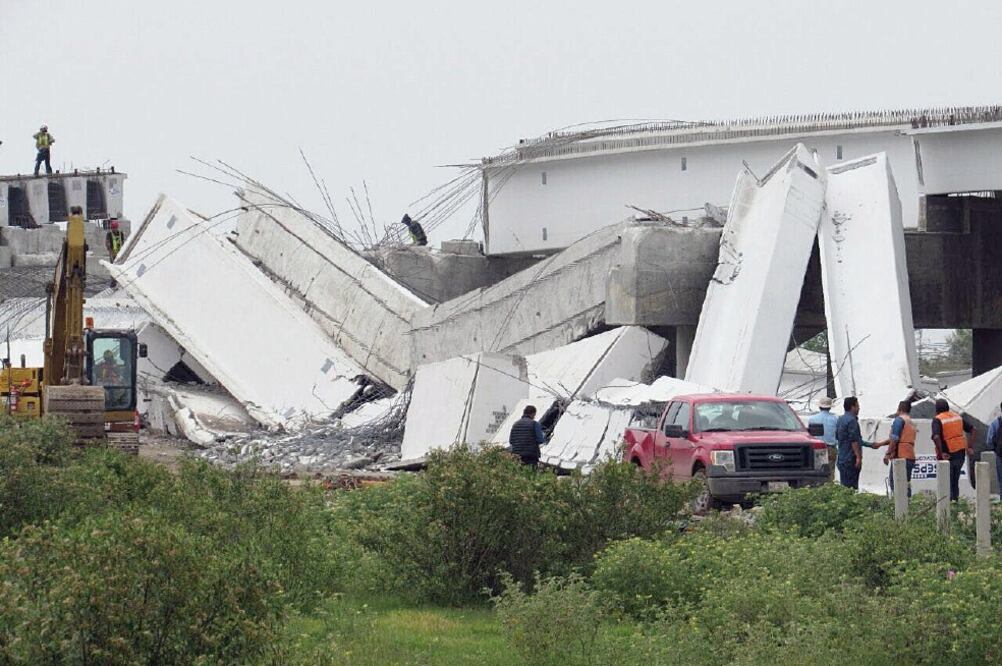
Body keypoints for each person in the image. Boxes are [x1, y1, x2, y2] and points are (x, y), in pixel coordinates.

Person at [932, 398, 974, 502]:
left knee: (947, 482)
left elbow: (936, 437)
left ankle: (948, 505)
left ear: (937, 409)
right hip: (960, 454)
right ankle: (955, 502)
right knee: (955, 481)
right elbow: (973, 429)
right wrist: (969, 447)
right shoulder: (957, 417)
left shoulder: (937, 419)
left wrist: (941, 453)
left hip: (947, 455)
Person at [873, 400, 917, 497]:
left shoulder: (899, 420)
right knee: (906, 483)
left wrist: (888, 454)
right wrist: (880, 444)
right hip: (910, 455)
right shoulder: (910, 422)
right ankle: (908, 506)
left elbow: (894, 439)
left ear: (899, 409)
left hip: (901, 457)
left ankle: (900, 507)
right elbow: (899, 438)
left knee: (895, 483)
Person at [835, 396, 866, 490]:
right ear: (852, 407)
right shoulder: (852, 421)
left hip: (842, 458)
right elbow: (854, 441)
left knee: (844, 486)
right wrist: (858, 457)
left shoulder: (840, 419)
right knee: (852, 488)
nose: (859, 408)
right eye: (857, 406)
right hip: (850, 459)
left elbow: (837, 436)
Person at [808, 396, 839, 481]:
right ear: (830, 407)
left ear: (819, 407)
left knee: (817, 470)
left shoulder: (812, 419)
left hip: (816, 448)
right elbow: (837, 434)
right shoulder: (835, 418)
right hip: (830, 448)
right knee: (830, 471)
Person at [987, 402, 1002, 491]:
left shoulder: (996, 423)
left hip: (1000, 455)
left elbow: (989, 441)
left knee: (1001, 481)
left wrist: (995, 449)